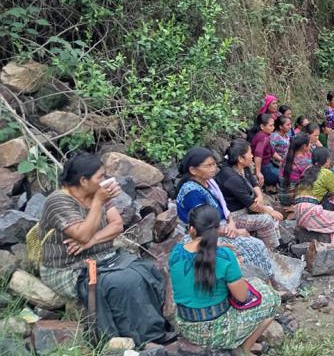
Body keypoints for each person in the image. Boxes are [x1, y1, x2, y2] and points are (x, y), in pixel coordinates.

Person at [38, 152, 168, 345]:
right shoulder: (59, 201)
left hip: (103, 255)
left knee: (146, 269)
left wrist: (91, 242)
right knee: (121, 283)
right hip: (68, 267)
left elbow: (117, 225)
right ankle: (133, 339)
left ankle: (155, 329)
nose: (105, 180)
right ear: (83, 180)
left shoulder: (97, 193)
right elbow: (81, 234)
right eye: (100, 176)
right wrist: (98, 202)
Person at [169, 204, 280, 354]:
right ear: (217, 229)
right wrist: (235, 266)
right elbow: (242, 297)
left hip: (185, 326)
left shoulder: (176, 252)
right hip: (216, 330)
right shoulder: (224, 256)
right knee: (271, 297)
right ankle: (245, 349)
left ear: (191, 229)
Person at [176, 148, 274, 278]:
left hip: (222, 225)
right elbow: (202, 226)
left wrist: (231, 223)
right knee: (253, 246)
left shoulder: (209, 182)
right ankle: (258, 282)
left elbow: (224, 208)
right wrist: (236, 232)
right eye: (208, 165)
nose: (213, 168)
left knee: (254, 243)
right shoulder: (192, 192)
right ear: (193, 170)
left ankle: (268, 279)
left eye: (214, 164)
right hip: (204, 235)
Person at [216, 140, 284, 250]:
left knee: (270, 211)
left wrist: (260, 196)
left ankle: (275, 243)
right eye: (250, 153)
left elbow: (254, 183)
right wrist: (270, 212)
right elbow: (252, 206)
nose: (252, 156)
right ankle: (269, 249)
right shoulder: (231, 178)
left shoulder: (243, 167)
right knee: (267, 218)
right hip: (233, 216)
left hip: (245, 208)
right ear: (240, 159)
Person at [294, 148, 334, 248]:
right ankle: (332, 246)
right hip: (311, 212)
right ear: (326, 160)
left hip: (298, 212)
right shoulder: (326, 173)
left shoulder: (307, 171)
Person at [247, 113, 279, 190]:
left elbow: (272, 151)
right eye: (270, 126)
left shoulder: (263, 135)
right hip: (265, 168)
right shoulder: (263, 137)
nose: (273, 128)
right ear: (262, 126)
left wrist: (281, 159)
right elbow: (258, 154)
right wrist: (258, 172)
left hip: (268, 165)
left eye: (273, 125)